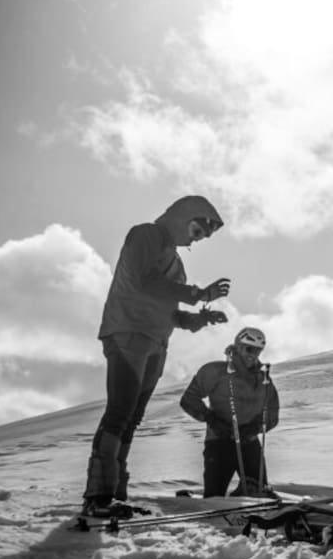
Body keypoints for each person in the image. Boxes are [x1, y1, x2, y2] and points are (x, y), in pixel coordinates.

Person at [82, 195, 231, 517]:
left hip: (155, 341)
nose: (197, 239)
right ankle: (98, 496)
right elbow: (143, 281)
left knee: (132, 418)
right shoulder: (146, 235)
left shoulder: (177, 263)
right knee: (120, 412)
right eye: (197, 230)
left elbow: (171, 311)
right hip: (128, 332)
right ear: (183, 216)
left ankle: (115, 494)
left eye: (202, 237)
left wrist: (200, 318)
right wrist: (197, 294)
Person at [180, 327, 280, 498]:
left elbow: (272, 410)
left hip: (249, 443)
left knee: (258, 492)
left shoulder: (263, 378)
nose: (253, 354)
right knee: (214, 496)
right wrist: (212, 420)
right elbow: (189, 399)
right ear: (238, 346)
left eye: (258, 350)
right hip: (219, 442)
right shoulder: (215, 371)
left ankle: (244, 504)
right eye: (249, 349)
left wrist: (255, 428)